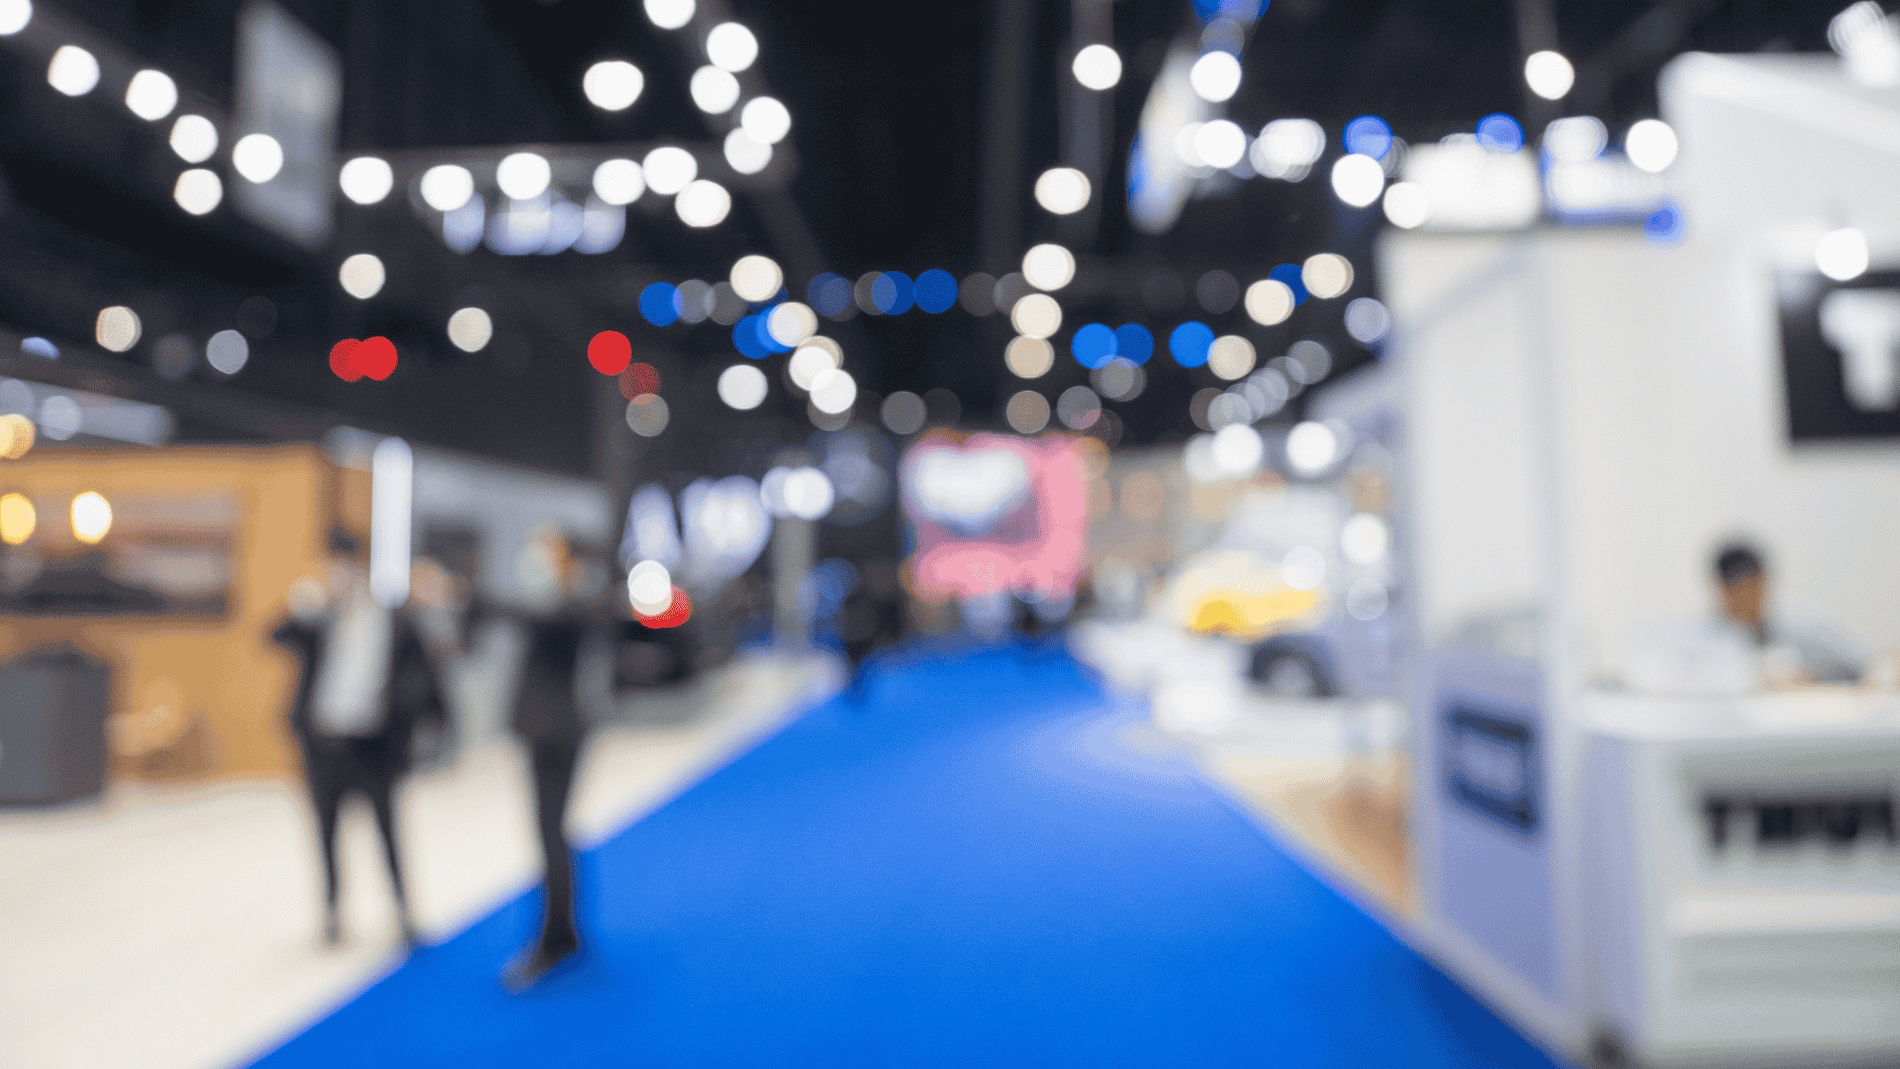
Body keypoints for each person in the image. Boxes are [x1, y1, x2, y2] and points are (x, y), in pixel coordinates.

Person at [272, 528, 447, 948]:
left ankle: (402, 911)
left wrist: (423, 725)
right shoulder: (319, 616)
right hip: (324, 742)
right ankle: (333, 913)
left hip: (373, 745)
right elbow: (274, 638)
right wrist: (304, 609)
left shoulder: (392, 618)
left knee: (386, 830)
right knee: (326, 832)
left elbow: (423, 675)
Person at [503, 526, 614, 990]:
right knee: (553, 833)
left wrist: (459, 590)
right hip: (550, 732)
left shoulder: (574, 605)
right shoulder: (565, 603)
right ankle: (565, 930)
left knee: (551, 834)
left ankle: (554, 941)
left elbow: (523, 614)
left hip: (557, 735)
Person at [1629, 541, 1866, 694]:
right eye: (1743, 591)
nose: (1754, 600)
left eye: (1758, 589)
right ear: (1722, 588)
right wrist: (1758, 677)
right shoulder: (1691, 638)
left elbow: (1857, 659)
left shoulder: (1800, 626)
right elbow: (1650, 676)